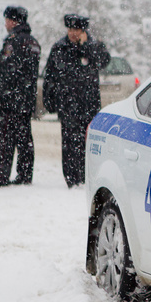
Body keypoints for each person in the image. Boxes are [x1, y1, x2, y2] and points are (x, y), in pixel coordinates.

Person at [43, 14, 110, 187]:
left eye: (77, 30)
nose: (73, 33)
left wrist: (86, 45)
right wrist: (49, 99)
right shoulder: (59, 47)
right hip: (67, 105)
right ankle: (71, 179)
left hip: (88, 105)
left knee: (87, 143)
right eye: (71, 29)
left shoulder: (93, 46)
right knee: (69, 144)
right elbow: (49, 75)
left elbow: (103, 61)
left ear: (83, 31)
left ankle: (86, 177)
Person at [0, 6, 41, 187]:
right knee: (24, 138)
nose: (5, 24)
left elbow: (9, 72)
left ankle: (0, 176)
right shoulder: (32, 42)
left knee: (4, 139)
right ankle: (25, 174)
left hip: (11, 100)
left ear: (13, 21)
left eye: (6, 20)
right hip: (25, 100)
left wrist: (2, 95)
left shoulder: (15, 42)